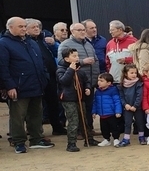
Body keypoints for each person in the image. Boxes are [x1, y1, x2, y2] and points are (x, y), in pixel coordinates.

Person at [0, 17, 53, 153]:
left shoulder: (31, 42)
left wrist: (44, 78)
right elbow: (3, 67)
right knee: (18, 116)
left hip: (37, 84)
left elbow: (41, 61)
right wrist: (9, 86)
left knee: (36, 114)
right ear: (10, 28)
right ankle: (19, 142)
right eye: (20, 26)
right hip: (18, 87)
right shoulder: (4, 44)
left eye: (24, 26)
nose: (24, 29)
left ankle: (36, 139)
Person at [27, 18, 66, 136]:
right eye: (33, 27)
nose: (36, 29)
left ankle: (57, 126)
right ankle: (35, 131)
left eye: (38, 27)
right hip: (36, 77)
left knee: (53, 102)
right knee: (36, 105)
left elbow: (56, 54)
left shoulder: (44, 40)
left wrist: (54, 44)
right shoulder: (25, 42)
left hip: (51, 76)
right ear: (26, 29)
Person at [56, 48, 92, 152]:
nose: (77, 58)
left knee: (84, 118)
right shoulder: (61, 69)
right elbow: (64, 81)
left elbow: (86, 81)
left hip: (80, 97)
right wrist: (70, 70)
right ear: (67, 59)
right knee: (73, 120)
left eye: (77, 56)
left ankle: (88, 139)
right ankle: (71, 143)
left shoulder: (79, 69)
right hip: (68, 99)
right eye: (74, 56)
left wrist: (88, 88)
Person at [92, 72, 123, 147]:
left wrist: (118, 111)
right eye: (98, 80)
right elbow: (95, 102)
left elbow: (117, 101)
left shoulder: (113, 90)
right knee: (104, 128)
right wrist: (94, 111)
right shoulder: (97, 92)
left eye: (102, 81)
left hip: (112, 114)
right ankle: (106, 139)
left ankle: (116, 139)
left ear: (109, 83)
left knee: (114, 127)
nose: (99, 82)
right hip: (102, 115)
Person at [118, 64, 145, 146]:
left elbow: (139, 95)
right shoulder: (122, 85)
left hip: (137, 107)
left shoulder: (139, 83)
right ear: (126, 74)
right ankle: (126, 139)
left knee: (140, 122)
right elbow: (121, 96)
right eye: (132, 73)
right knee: (127, 123)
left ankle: (142, 137)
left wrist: (135, 106)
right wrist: (125, 105)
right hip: (127, 108)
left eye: (135, 73)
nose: (134, 75)